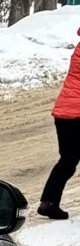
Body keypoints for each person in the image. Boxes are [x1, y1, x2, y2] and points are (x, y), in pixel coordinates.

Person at [39, 25, 80, 220]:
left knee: (67, 161)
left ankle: (48, 202)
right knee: (68, 161)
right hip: (78, 112)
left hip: (64, 112)